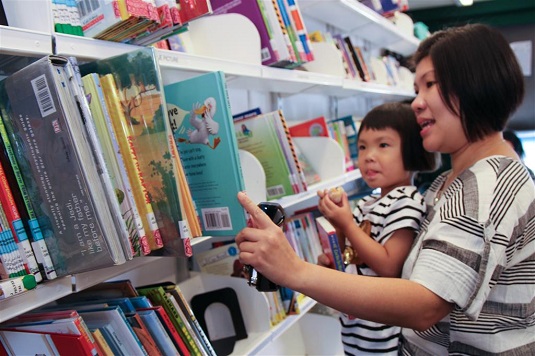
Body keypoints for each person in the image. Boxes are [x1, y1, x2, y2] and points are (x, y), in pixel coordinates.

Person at [235, 23, 535, 355]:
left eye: (430, 84)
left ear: (475, 84)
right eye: (416, 88)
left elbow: (424, 305)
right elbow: (416, 276)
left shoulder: (487, 186)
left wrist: (294, 270)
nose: (417, 103)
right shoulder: (450, 182)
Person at [316, 101, 438, 355]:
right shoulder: (369, 202)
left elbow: (389, 265)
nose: (369, 156)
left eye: (383, 145)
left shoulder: (407, 201)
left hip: (385, 334)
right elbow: (351, 255)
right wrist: (336, 234)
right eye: (362, 147)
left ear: (412, 151)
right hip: (357, 328)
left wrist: (347, 224)